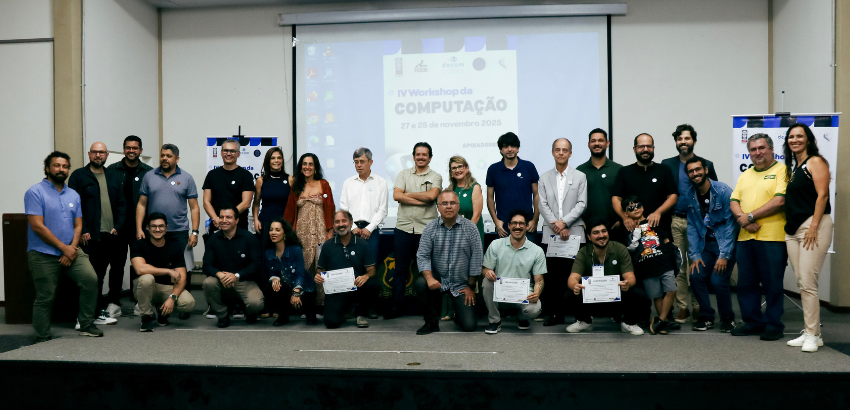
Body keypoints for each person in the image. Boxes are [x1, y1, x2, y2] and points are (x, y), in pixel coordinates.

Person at [26, 151, 103, 341]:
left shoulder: (73, 194)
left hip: (72, 250)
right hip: (43, 254)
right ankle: (42, 335)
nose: (61, 169)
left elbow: (78, 225)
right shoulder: (35, 192)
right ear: (47, 168)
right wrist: (64, 248)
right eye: (57, 165)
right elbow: (37, 226)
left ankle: (86, 324)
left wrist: (72, 248)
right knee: (45, 296)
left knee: (91, 280)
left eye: (65, 166)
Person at [730, 133, 788, 341]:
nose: (757, 153)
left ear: (771, 149)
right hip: (746, 238)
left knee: (772, 283)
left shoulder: (782, 170)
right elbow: (734, 201)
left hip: (772, 237)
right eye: (753, 149)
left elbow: (780, 201)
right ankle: (752, 322)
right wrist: (743, 219)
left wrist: (751, 215)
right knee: (746, 283)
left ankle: (773, 324)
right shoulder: (745, 175)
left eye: (761, 148)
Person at [783, 123, 833, 352]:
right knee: (803, 282)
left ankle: (813, 334)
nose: (795, 140)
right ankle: (812, 332)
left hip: (814, 227)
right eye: (791, 137)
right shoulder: (796, 168)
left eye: (799, 136)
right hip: (793, 232)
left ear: (808, 139)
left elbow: (822, 194)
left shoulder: (815, 162)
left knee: (808, 282)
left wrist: (813, 226)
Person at [661, 124, 718, 324]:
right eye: (679, 139)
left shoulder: (706, 164)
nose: (683, 142)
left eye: (686, 138)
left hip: (700, 223)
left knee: (697, 264)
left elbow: (715, 194)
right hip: (675, 221)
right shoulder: (666, 164)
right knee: (679, 266)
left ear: (693, 140)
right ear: (675, 142)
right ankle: (683, 306)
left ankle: (698, 306)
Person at [136, 144, 200, 312]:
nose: (164, 158)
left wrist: (194, 231)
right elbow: (141, 204)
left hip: (179, 231)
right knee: (154, 267)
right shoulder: (149, 176)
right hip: (154, 231)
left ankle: (181, 305)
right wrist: (139, 228)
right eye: (162, 155)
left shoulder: (186, 178)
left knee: (183, 268)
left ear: (176, 159)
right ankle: (155, 303)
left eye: (169, 156)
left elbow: (194, 207)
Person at [67, 142, 124, 326]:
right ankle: (81, 316)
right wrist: (83, 230)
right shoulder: (79, 176)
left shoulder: (113, 176)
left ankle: (97, 312)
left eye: (102, 152)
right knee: (87, 278)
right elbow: (73, 206)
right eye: (95, 152)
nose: (98, 155)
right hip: (89, 237)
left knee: (100, 277)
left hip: (109, 235)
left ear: (107, 155)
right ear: (89, 154)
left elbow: (122, 204)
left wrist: (118, 225)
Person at [414, 189, 483, 335]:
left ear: (458, 206)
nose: (449, 206)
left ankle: (459, 315)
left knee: (469, 326)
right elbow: (423, 256)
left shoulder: (470, 228)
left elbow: (476, 259)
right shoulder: (430, 228)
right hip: (439, 280)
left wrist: (471, 286)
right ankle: (431, 322)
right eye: (444, 203)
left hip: (461, 283)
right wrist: (429, 278)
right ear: (438, 207)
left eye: (452, 203)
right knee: (421, 283)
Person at [684, 157, 738, 333]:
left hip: (724, 245)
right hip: (704, 246)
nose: (695, 173)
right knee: (696, 276)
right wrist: (694, 255)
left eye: (698, 169)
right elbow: (692, 226)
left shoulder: (722, 190)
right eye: (691, 171)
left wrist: (724, 255)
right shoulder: (690, 195)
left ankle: (728, 319)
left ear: (706, 170)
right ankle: (707, 316)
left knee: (717, 280)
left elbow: (731, 224)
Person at [389, 142, 442, 319]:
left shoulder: (436, 176)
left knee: (427, 271)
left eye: (424, 155)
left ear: (430, 158)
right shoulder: (403, 174)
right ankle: (396, 307)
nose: (421, 157)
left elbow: (432, 196)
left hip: (426, 230)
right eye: (418, 154)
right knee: (400, 271)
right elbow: (397, 195)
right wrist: (421, 199)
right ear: (413, 157)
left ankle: (428, 309)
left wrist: (407, 194)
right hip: (403, 228)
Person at [537, 138, 587, 327]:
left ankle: (577, 315)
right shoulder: (543, 177)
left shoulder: (580, 176)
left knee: (574, 274)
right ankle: (556, 314)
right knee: (554, 277)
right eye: (557, 150)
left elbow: (582, 204)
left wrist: (564, 222)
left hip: (574, 233)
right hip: (552, 234)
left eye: (565, 150)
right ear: (552, 153)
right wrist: (556, 225)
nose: (561, 153)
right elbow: (542, 204)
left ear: (570, 153)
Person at [565, 219, 644, 336]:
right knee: (569, 294)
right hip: (592, 301)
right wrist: (575, 285)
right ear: (589, 237)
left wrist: (627, 283)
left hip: (615, 300)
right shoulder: (583, 252)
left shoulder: (620, 248)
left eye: (603, 231)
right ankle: (585, 321)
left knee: (638, 293)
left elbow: (631, 277)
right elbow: (572, 278)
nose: (601, 236)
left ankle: (628, 323)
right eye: (596, 233)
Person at [107, 135, 153, 318]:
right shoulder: (111, 170)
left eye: (135, 148)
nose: (131, 151)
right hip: (117, 228)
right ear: (124, 149)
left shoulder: (149, 173)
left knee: (138, 266)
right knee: (116, 265)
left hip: (140, 229)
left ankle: (138, 302)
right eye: (128, 147)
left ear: (141, 150)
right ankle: (113, 302)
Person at [620, 196, 678, 335]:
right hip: (647, 268)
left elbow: (666, 240)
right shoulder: (628, 229)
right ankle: (662, 324)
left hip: (664, 263)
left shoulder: (654, 221)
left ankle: (661, 319)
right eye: (630, 208)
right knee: (657, 295)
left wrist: (673, 260)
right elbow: (630, 249)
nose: (635, 209)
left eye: (638, 205)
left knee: (671, 290)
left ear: (643, 207)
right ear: (626, 213)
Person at [481, 210, 546, 334]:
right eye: (514, 223)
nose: (517, 226)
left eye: (521, 223)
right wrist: (487, 272)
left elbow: (539, 279)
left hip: (524, 294)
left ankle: (523, 317)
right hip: (500, 292)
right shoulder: (496, 244)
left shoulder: (537, 251)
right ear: (509, 225)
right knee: (486, 281)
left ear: (527, 226)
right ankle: (494, 321)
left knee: (535, 309)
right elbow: (485, 269)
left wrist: (536, 293)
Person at [283, 153, 335, 308]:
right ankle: (305, 305)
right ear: (300, 167)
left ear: (315, 167)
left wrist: (330, 231)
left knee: (322, 267)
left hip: (321, 232)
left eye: (310, 164)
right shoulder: (296, 186)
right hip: (301, 234)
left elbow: (330, 208)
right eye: (304, 164)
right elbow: (290, 211)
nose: (307, 167)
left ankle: (323, 304)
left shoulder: (323, 184)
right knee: (303, 267)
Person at [130, 212, 196, 332]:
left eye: (161, 226)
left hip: (166, 288)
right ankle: (146, 317)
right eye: (154, 226)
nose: (157, 229)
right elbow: (140, 269)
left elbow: (182, 277)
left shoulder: (175, 247)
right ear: (148, 228)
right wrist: (168, 271)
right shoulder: (139, 245)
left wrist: (172, 298)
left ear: (166, 228)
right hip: (144, 288)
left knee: (188, 303)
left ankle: (162, 311)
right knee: (147, 278)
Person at [313, 210, 380, 329]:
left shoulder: (363, 244)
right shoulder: (328, 245)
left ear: (351, 223)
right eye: (337, 222)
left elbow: (372, 270)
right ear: (333, 225)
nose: (341, 224)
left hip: (358, 288)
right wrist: (318, 276)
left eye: (344, 221)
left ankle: (361, 312)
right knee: (331, 322)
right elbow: (320, 269)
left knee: (374, 283)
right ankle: (345, 311)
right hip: (337, 289)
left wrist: (365, 276)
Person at [202, 205, 264, 328]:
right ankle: (222, 314)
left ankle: (250, 312)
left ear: (237, 220)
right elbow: (206, 265)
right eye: (221, 217)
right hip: (221, 280)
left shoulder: (249, 238)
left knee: (256, 303)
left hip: (243, 280)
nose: (224, 220)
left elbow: (256, 264)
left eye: (229, 217)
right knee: (208, 283)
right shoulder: (213, 239)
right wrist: (219, 274)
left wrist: (236, 276)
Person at [612, 133, 678, 238]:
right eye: (641, 147)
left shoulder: (664, 170)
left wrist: (658, 212)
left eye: (649, 146)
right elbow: (616, 198)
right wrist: (625, 218)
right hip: (632, 230)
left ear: (653, 148)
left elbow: (673, 196)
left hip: (660, 228)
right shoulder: (624, 172)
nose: (645, 149)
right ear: (634, 149)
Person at [445, 155, 484, 321]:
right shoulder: (449, 190)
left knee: (474, 271)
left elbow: (476, 215)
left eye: (461, 166)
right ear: (451, 172)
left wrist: (465, 235)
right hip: (452, 236)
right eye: (454, 168)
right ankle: (451, 309)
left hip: (472, 235)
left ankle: (479, 310)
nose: (458, 170)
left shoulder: (475, 187)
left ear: (467, 168)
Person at [263, 218, 316, 326]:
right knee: (270, 287)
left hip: (305, 288)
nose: (273, 232)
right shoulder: (268, 252)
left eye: (277, 230)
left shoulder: (295, 249)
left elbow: (300, 274)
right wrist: (274, 278)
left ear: (285, 233)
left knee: (311, 321)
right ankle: (283, 315)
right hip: (286, 286)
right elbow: (273, 272)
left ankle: (308, 313)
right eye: (271, 230)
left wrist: (296, 292)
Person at [486, 132, 540, 238]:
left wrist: (535, 220)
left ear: (518, 148)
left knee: (529, 254)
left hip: (527, 225)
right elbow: (490, 198)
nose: (510, 149)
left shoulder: (529, 167)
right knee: (504, 255)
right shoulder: (493, 169)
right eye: (506, 147)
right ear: (501, 150)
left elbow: (537, 194)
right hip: (504, 226)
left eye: (513, 146)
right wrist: (496, 221)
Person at [339, 147, 388, 264]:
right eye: (356, 162)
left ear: (370, 162)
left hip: (371, 232)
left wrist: (369, 228)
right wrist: (352, 227)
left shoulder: (381, 182)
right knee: (351, 265)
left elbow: (383, 210)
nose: (358, 165)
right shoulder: (348, 183)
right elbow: (343, 208)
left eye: (362, 161)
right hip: (351, 230)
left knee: (370, 265)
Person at [577, 128, 624, 242]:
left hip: (615, 229)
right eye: (593, 141)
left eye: (600, 140)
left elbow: (626, 197)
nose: (597, 143)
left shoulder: (619, 170)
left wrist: (621, 220)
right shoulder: (579, 171)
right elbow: (573, 200)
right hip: (588, 231)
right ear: (589, 144)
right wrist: (580, 222)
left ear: (607, 143)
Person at [203, 138, 255, 233]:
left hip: (239, 227)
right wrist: (216, 219)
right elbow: (206, 202)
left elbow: (246, 203)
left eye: (232, 151)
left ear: (238, 154)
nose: (228, 153)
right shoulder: (212, 174)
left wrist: (227, 219)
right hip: (217, 225)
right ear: (221, 153)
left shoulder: (246, 175)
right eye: (226, 150)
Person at [252, 147, 293, 245]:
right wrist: (256, 220)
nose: (276, 161)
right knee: (264, 256)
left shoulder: (290, 179)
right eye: (273, 158)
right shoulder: (260, 181)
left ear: (282, 160)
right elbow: (256, 204)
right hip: (265, 224)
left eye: (279, 158)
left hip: (284, 224)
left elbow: (293, 204)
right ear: (268, 161)